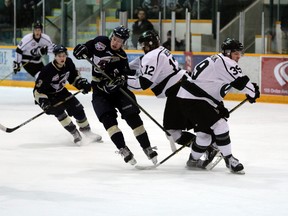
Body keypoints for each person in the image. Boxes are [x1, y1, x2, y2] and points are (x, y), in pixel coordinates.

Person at [127, 30, 218, 168]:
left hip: (179, 91)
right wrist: (124, 69)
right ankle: (213, 144)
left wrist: (123, 81)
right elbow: (139, 63)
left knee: (173, 131)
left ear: (150, 44)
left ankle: (208, 147)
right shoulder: (160, 50)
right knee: (196, 122)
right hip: (185, 86)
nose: (142, 48)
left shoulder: (151, 56)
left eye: (144, 45)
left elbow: (143, 84)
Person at [72, 25, 158, 165]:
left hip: (118, 91)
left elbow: (123, 77)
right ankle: (123, 148)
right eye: (114, 38)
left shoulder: (122, 57)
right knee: (109, 121)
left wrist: (119, 81)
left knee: (133, 118)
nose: (115, 42)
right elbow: (84, 50)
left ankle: (147, 147)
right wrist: (80, 50)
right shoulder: (100, 42)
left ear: (123, 43)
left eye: (119, 41)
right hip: (100, 91)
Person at [176, 38, 260, 174]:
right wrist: (253, 92)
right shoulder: (226, 62)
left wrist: (218, 105)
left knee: (204, 136)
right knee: (220, 125)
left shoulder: (218, 59)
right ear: (227, 52)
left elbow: (214, 85)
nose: (238, 56)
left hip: (191, 98)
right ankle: (229, 160)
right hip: (194, 99)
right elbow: (240, 82)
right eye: (236, 53)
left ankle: (192, 160)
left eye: (240, 53)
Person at [33, 45, 102, 145]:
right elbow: (38, 91)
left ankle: (87, 131)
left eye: (64, 55)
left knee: (78, 109)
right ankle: (75, 133)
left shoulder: (68, 62)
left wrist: (81, 84)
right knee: (60, 112)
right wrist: (44, 103)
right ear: (55, 56)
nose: (62, 58)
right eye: (59, 56)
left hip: (62, 92)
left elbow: (73, 77)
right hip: (49, 96)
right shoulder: (47, 70)